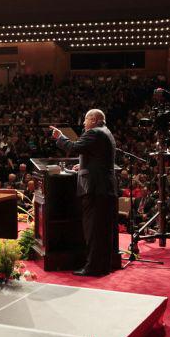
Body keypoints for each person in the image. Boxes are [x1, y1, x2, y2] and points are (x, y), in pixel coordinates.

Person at [50, 109, 118, 276]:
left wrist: (60, 136)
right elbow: (99, 156)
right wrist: (85, 165)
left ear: (94, 119)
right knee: (102, 230)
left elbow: (73, 147)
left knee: (94, 230)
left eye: (86, 119)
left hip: (95, 188)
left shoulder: (94, 132)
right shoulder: (105, 132)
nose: (83, 123)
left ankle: (93, 267)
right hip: (105, 187)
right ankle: (103, 265)